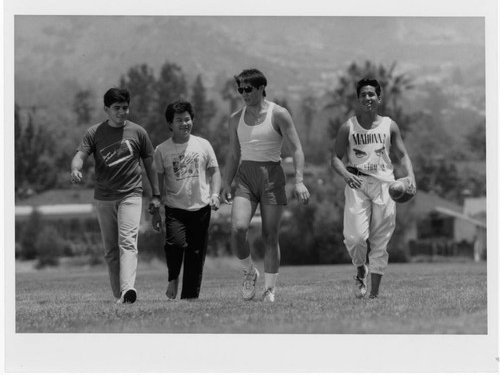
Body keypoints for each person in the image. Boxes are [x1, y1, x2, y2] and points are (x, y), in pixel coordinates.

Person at [221, 68, 310, 303]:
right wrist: (225, 184)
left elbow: (297, 149)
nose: (243, 93)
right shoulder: (235, 119)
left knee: (270, 236)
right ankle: (249, 271)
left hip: (272, 176)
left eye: (248, 89)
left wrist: (299, 181)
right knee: (238, 229)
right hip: (246, 177)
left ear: (261, 88)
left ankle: (269, 289)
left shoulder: (279, 114)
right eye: (240, 89)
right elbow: (232, 154)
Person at [70, 87, 161, 304]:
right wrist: (75, 169)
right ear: (106, 109)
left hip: (131, 194)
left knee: (128, 242)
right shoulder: (94, 133)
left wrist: (156, 195)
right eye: (117, 108)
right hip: (104, 197)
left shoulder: (139, 132)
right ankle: (119, 294)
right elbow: (79, 155)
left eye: (125, 107)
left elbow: (151, 165)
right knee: (111, 250)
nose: (122, 112)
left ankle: (129, 289)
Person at [331, 78, 416, 299]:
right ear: (358, 99)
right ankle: (360, 267)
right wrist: (347, 175)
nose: (367, 98)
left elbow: (403, 155)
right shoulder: (348, 127)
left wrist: (410, 177)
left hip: (386, 187)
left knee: (380, 240)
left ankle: (374, 295)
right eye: (363, 95)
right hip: (357, 184)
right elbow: (335, 159)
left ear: (379, 98)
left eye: (371, 94)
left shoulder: (390, 125)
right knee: (355, 238)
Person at [152, 100, 221, 300]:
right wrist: (156, 210)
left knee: (196, 255)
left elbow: (215, 172)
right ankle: (173, 278)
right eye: (179, 120)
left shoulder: (203, 145)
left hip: (201, 208)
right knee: (174, 244)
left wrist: (215, 194)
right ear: (170, 124)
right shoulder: (162, 150)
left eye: (188, 119)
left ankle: (189, 298)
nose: (185, 124)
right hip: (175, 208)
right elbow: (157, 185)